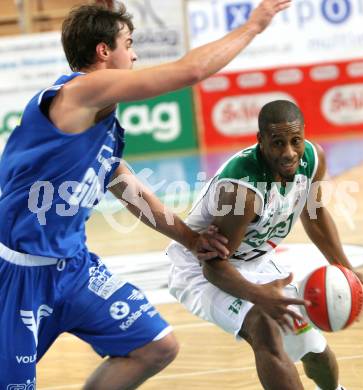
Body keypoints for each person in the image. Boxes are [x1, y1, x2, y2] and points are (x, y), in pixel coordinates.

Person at [0, 0, 293, 388]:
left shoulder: (100, 122)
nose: (135, 54)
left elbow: (128, 188)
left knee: (155, 346)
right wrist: (255, 24)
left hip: (72, 267)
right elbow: (191, 70)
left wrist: (191, 239)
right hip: (16, 274)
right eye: (129, 43)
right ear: (104, 51)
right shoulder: (81, 92)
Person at [168, 100, 363, 390]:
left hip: (254, 262)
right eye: (277, 143)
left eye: (295, 141)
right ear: (261, 141)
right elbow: (213, 266)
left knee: (316, 353)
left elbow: (314, 214)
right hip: (200, 270)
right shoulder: (243, 192)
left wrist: (346, 269)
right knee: (263, 326)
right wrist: (259, 296)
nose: (289, 153)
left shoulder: (312, 159)